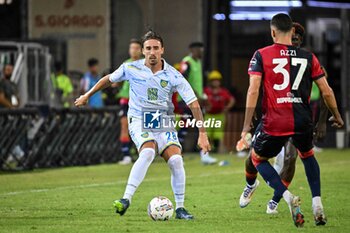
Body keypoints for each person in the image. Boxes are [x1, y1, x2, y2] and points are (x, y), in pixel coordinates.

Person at [75, 30, 211, 220]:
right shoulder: (131, 68)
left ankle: (180, 209)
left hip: (163, 121)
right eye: (148, 48)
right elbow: (108, 79)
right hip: (139, 119)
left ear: (162, 49)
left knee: (176, 160)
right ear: (143, 51)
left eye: (156, 48)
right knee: (147, 152)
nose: (152, 52)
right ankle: (126, 199)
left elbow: (193, 103)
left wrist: (202, 133)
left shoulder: (173, 75)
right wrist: (87, 95)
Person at [237, 13, 343, 227]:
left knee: (257, 159)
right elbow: (327, 91)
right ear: (292, 32)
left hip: (275, 121)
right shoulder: (309, 57)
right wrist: (337, 116)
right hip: (303, 120)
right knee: (308, 155)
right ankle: (317, 204)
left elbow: (253, 89)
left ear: (273, 32)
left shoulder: (261, 55)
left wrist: (246, 124)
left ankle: (286, 197)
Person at [176, 42, 217, 164]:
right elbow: (182, 80)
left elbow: (197, 83)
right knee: (185, 127)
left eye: (202, 50)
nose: (201, 52)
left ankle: (204, 154)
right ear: (192, 50)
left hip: (196, 100)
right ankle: (177, 155)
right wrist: (196, 96)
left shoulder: (198, 63)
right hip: (186, 100)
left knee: (200, 126)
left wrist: (203, 97)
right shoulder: (187, 62)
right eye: (199, 50)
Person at [118, 39, 143, 165]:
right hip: (125, 99)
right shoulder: (126, 64)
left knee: (143, 127)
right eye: (131, 48)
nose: (133, 50)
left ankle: (142, 153)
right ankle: (126, 155)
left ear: (141, 50)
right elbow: (117, 80)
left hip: (140, 101)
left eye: (136, 48)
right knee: (124, 126)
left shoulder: (145, 65)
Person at [204, 70, 235, 152]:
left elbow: (232, 100)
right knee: (207, 134)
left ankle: (215, 151)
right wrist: (204, 106)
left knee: (218, 135)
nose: (215, 82)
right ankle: (207, 151)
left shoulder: (223, 91)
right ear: (210, 82)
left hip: (220, 115)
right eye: (213, 80)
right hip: (209, 115)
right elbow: (200, 100)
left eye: (217, 80)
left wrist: (227, 108)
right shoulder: (206, 91)